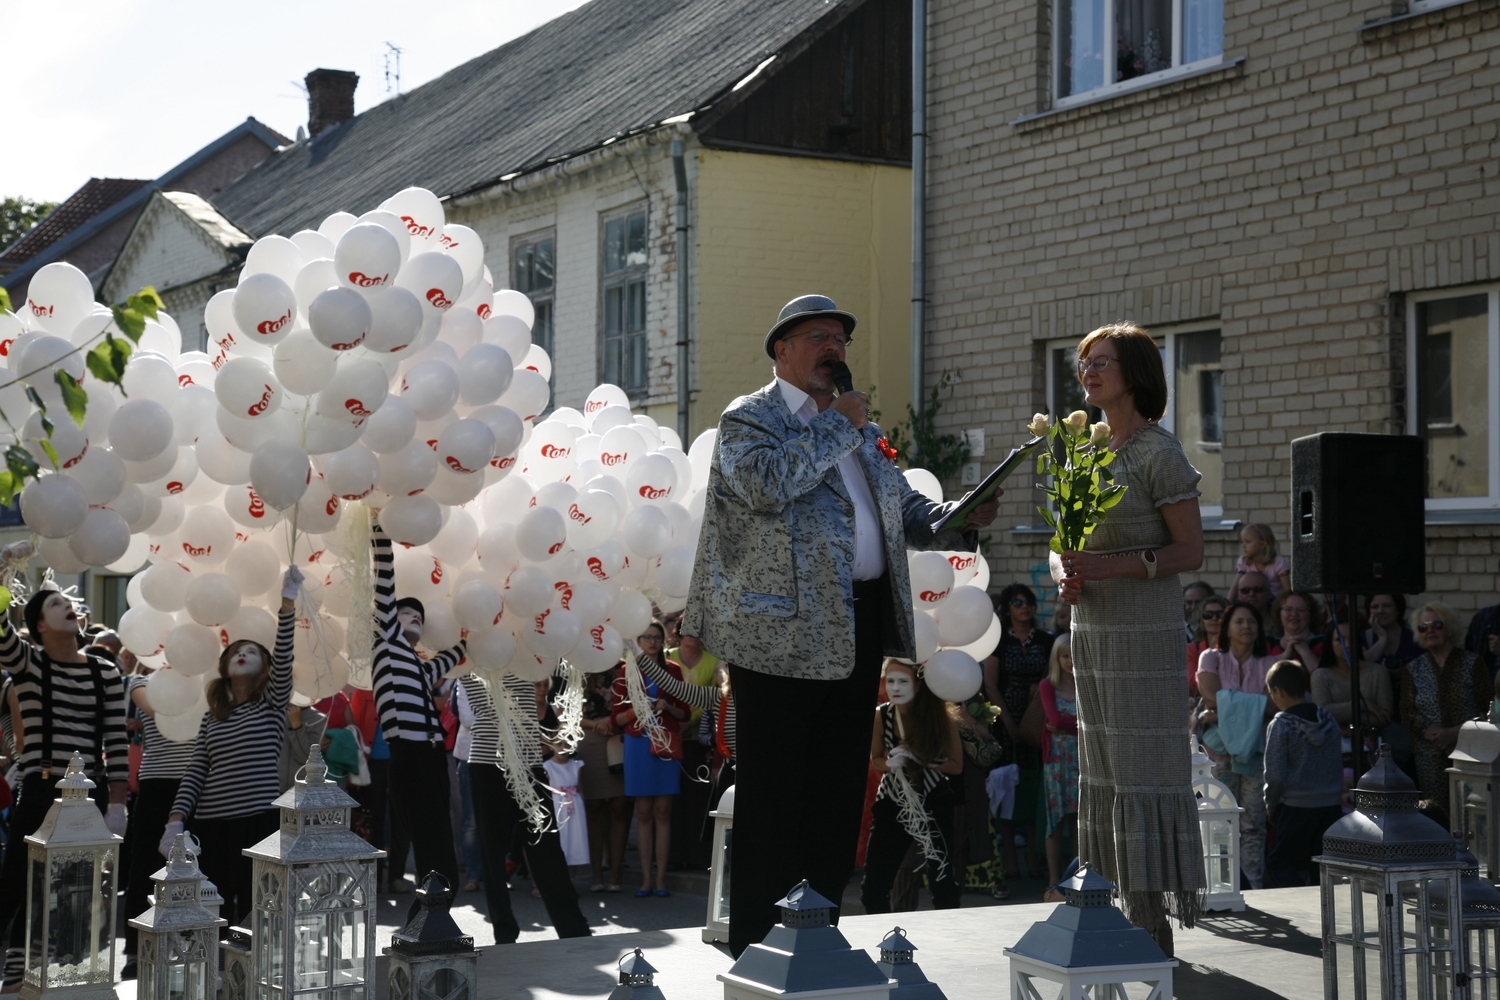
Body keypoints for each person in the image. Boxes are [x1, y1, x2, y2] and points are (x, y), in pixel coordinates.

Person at [682, 294, 998, 955]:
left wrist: (955, 514)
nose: (835, 348)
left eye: (842, 339)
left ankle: (818, 940)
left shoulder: (855, 427)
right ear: (783, 350)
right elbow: (767, 485)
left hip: (854, 633)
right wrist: (839, 428)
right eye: (820, 336)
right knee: (775, 800)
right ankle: (758, 949)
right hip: (778, 641)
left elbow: (900, 505)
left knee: (833, 799)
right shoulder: (751, 419)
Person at [1053, 321, 1206, 954]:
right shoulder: (1086, 451)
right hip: (1093, 631)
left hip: (1143, 635)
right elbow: (1062, 545)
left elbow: (1190, 550)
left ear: (1135, 372)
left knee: (1141, 769)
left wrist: (1108, 567)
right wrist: (1066, 574)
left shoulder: (1157, 451)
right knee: (1106, 769)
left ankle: (1151, 919)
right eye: (1084, 364)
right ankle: (1110, 906)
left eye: (1102, 362)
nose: (1088, 373)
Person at [0, 588, 128, 989]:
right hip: (41, 790)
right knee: (15, 883)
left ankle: (64, 974)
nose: (68, 607)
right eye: (55, 604)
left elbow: (116, 740)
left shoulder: (104, 669)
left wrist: (118, 804)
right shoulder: (29, 663)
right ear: (38, 625)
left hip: (90, 795)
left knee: (77, 891)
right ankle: (16, 967)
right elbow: (3, 635)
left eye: (68, 603)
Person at [159, 567, 300, 928]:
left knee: (258, 905)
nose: (243, 654)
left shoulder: (269, 704)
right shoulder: (213, 717)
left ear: (265, 668)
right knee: (214, 906)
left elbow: (284, 660)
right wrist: (175, 820)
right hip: (212, 824)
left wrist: (287, 605)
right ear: (224, 665)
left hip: (258, 820)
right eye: (237, 650)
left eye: (252, 652)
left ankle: (251, 977)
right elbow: (197, 769)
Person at [370, 518, 468, 919]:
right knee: (432, 848)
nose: (413, 615)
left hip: (432, 758)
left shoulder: (416, 663)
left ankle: (431, 920)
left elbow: (450, 657)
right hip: (408, 756)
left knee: (440, 843)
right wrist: (381, 526)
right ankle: (425, 924)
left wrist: (476, 636)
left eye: (418, 615)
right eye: (405, 611)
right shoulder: (387, 641)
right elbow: (385, 577)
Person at [456, 670, 591, 943]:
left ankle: (574, 928)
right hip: (487, 761)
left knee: (547, 846)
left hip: (529, 761)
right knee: (492, 853)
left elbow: (539, 704)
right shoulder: (475, 654)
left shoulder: (530, 648)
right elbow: (475, 713)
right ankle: (504, 933)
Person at [859, 660, 963, 913]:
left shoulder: (940, 716)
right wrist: (894, 761)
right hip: (894, 799)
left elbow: (956, 766)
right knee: (873, 886)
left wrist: (924, 758)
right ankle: (882, 940)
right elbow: (876, 760)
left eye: (902, 681)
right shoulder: (881, 715)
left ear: (918, 684)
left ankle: (949, 937)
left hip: (934, 798)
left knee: (942, 882)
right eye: (891, 680)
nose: (895, 687)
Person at [120, 655, 199, 977]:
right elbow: (163, 713)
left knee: (193, 867)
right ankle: (137, 950)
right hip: (155, 784)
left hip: (196, 783)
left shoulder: (205, 684)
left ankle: (189, 943)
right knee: (145, 866)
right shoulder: (141, 682)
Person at [1196, 601, 1278, 889]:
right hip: (1219, 755)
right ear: (1227, 628)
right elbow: (1209, 696)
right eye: (1239, 621)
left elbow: (1273, 705)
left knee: (1253, 824)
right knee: (1218, 822)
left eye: (1252, 622)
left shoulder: (1269, 664)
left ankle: (1254, 885)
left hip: (1256, 755)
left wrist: (1222, 713)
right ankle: (1219, 885)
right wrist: (1250, 707)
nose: (1246, 626)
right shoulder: (1211, 658)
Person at [981, 582, 1053, 898]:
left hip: (1040, 721)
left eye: (1028, 601)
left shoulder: (1047, 640)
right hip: (1005, 720)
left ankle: (1034, 855)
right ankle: (1010, 856)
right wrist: (1008, 722)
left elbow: (1054, 678)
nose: (1024, 606)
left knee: (1036, 786)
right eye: (1017, 601)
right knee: (1007, 787)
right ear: (1007, 608)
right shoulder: (997, 643)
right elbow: (990, 684)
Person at [611, 622, 688, 897]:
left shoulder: (673, 669)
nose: (652, 642)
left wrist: (667, 706)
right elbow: (615, 719)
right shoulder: (625, 670)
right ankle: (645, 879)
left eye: (657, 637)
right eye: (647, 637)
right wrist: (637, 710)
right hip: (638, 742)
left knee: (663, 811)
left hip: (666, 742)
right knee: (643, 813)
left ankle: (661, 879)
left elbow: (685, 715)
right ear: (639, 641)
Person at [1402, 602, 1494, 807]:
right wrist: (1433, 734)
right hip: (1429, 756)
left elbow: (1488, 709)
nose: (1430, 631)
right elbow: (1407, 712)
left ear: (1449, 627)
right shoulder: (1413, 669)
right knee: (1436, 811)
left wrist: (1455, 733)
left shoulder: (1473, 663)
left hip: (1469, 752)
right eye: (1423, 627)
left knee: (1470, 809)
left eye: (1437, 624)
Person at [1262, 660, 1343, 888]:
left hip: (1295, 806)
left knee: (1278, 862)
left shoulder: (1281, 724)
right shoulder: (1327, 719)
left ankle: (1298, 899)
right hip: (1330, 805)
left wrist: (1271, 803)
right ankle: (1323, 908)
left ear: (1277, 691)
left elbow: (1275, 774)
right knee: (1321, 864)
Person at [579, 666, 629, 892]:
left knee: (620, 807)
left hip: (620, 737)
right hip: (590, 739)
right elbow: (567, 715)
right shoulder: (579, 669)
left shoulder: (624, 669)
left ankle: (616, 878)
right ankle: (597, 877)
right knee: (594, 807)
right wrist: (596, 724)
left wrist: (613, 721)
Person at [1039, 635, 1079, 890]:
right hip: (1056, 761)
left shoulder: (1086, 685)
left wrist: (1064, 727)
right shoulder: (1047, 685)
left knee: (1079, 820)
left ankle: (1079, 878)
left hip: (1082, 759)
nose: (1070, 661)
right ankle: (1054, 880)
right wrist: (1078, 727)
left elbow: (1060, 723)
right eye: (1065, 656)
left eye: (1074, 654)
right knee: (1055, 821)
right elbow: (1052, 719)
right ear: (1057, 658)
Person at [1310, 618, 1394, 731]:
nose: (1347, 645)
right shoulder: (1320, 675)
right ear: (1330, 643)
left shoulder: (1378, 672)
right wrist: (1362, 705)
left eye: (1352, 638)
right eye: (1339, 639)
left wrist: (1342, 717)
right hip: (1334, 743)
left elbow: (1384, 717)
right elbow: (1323, 715)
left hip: (1371, 741)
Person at [1367, 594, 1421, 688]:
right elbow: (1361, 666)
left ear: (1398, 609)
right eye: (1375, 607)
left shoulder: (1415, 638)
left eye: (1387, 606)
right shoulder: (1363, 637)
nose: (1380, 611)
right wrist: (1382, 638)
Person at [1229, 524, 1290, 602]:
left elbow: (1287, 590)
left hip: (1274, 604)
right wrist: (1227, 605)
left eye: (1247, 542)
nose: (1243, 546)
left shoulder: (1278, 562)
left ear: (1262, 544)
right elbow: (1235, 586)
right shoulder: (1244, 561)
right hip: (1250, 601)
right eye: (1243, 542)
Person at [1267, 591, 1324, 669]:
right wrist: (1284, 656)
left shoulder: (1324, 643)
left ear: (1311, 615)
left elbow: (1324, 678)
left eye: (1301, 610)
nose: (1294, 614)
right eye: (1288, 609)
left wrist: (1305, 652)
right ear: (1279, 614)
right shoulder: (1268, 645)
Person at [1185, 594, 1228, 698]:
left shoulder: (1238, 647)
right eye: (1208, 615)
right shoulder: (1192, 649)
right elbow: (1193, 685)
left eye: (1220, 614)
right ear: (1202, 620)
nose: (1214, 618)